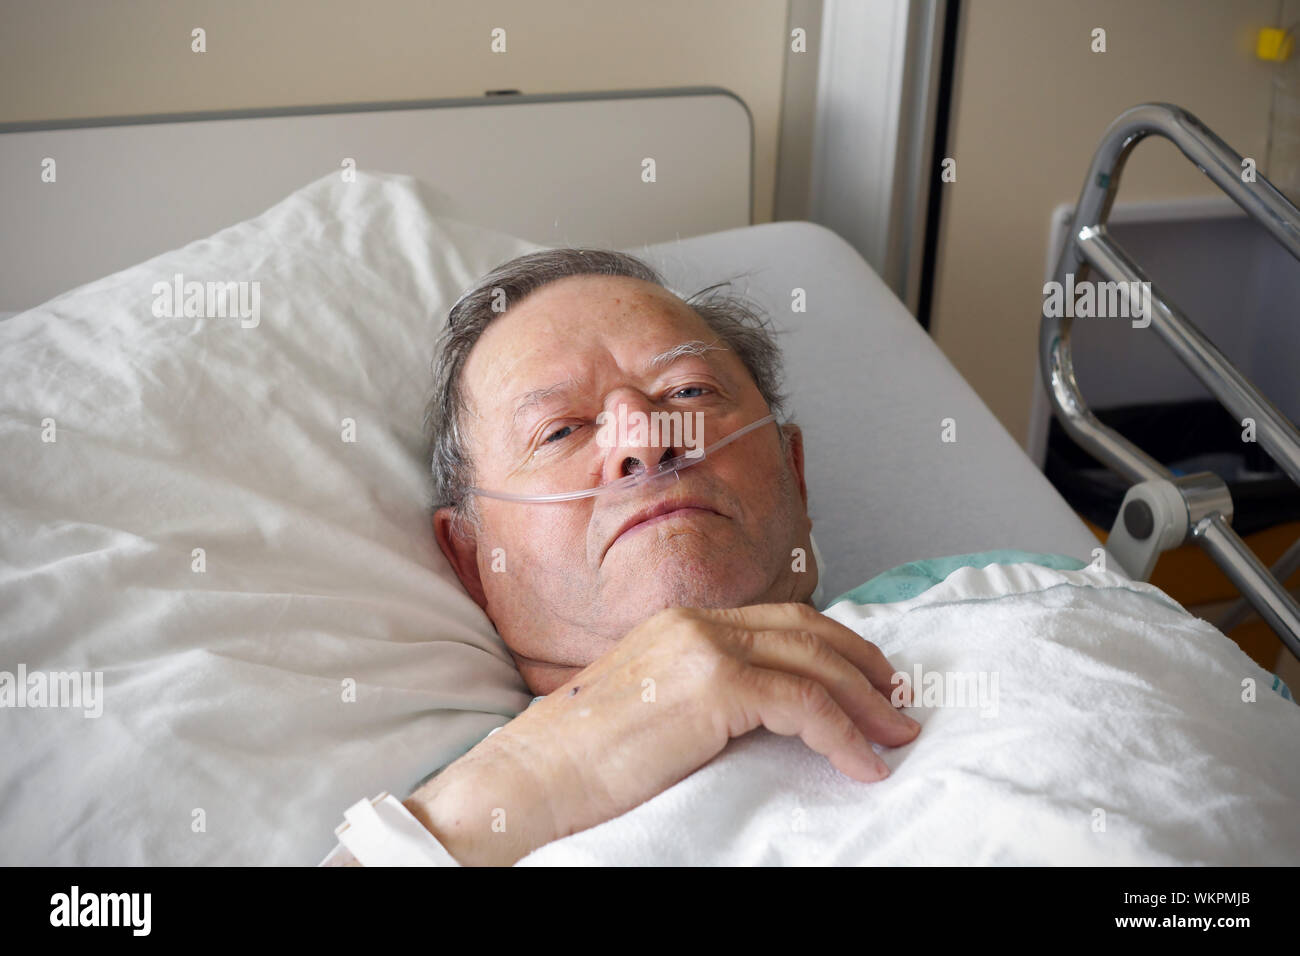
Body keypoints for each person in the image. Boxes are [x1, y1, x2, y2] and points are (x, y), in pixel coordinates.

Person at [323, 249, 919, 866]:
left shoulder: (991, 593)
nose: (645, 440)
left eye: (688, 390)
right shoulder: (472, 827)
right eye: (560, 430)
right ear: (473, 560)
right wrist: (554, 762)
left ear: (795, 475)